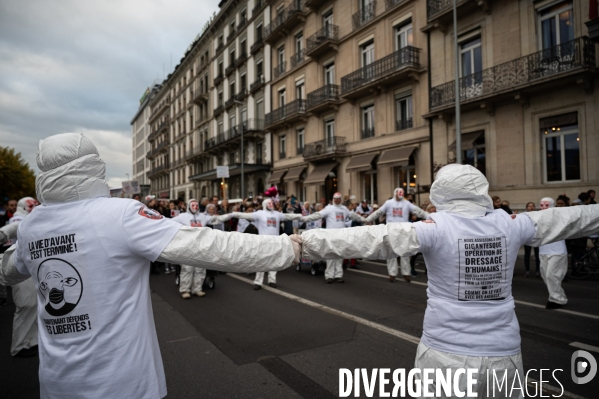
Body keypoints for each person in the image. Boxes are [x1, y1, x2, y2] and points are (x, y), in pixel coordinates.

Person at [0, 133, 301, 399]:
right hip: (122, 384)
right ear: (93, 166)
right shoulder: (120, 214)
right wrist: (286, 247)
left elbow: (8, 270)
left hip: (56, 385)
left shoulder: (32, 226)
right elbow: (209, 246)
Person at [298, 164, 599, 396]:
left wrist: (299, 245)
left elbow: (365, 240)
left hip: (445, 357)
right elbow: (578, 218)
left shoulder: (434, 228)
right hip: (504, 359)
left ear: (441, 191)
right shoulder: (514, 224)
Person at [231, 199, 303, 290]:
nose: (271, 204)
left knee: (274, 261)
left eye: (272, 203)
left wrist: (299, 216)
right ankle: (258, 282)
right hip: (263, 242)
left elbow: (288, 216)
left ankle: (272, 280)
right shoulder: (260, 213)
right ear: (265, 204)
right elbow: (246, 215)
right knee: (261, 262)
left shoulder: (277, 214)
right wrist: (234, 214)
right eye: (269, 203)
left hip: (275, 242)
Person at [0, 197, 39, 357]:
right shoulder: (20, 219)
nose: (34, 208)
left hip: (23, 266)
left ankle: (30, 342)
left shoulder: (25, 218)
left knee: (31, 305)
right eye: (31, 206)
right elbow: (13, 229)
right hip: (18, 267)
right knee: (25, 305)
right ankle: (19, 346)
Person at [171, 199, 233, 298]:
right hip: (188, 246)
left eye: (196, 205)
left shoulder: (203, 217)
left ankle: (197, 289)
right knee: (187, 269)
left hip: (201, 246)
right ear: (189, 206)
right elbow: (170, 222)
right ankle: (185, 290)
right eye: (193, 205)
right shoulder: (183, 217)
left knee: (200, 268)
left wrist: (230, 215)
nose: (195, 207)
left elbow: (216, 219)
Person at [365, 188, 429, 282]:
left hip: (404, 231)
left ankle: (406, 273)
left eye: (402, 195)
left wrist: (429, 216)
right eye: (399, 195)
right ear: (395, 194)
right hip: (391, 231)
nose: (400, 197)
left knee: (405, 253)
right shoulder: (388, 203)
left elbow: (418, 211)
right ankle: (392, 273)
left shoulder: (406, 203)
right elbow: (378, 212)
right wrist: (368, 219)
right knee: (391, 253)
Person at [300, 192, 366, 283]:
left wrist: (364, 220)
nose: (337, 200)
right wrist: (305, 218)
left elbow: (353, 215)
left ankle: (338, 275)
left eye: (339, 198)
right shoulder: (329, 208)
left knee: (339, 256)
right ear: (333, 199)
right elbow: (318, 215)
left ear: (341, 199)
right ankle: (329, 276)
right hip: (330, 236)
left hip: (341, 236)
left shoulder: (344, 209)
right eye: (335, 198)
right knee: (330, 256)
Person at [538, 197, 569, 309]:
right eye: (541, 205)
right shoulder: (538, 217)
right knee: (545, 275)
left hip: (557, 251)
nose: (543, 207)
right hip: (543, 250)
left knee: (552, 275)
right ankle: (556, 295)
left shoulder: (559, 216)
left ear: (552, 206)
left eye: (546, 205)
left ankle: (557, 299)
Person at [523, 202, 540, 278]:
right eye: (529, 206)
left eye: (532, 206)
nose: (531, 207)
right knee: (527, 254)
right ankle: (527, 270)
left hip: (536, 237)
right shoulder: (524, 215)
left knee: (537, 255)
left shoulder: (538, 214)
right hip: (528, 237)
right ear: (527, 207)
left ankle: (538, 271)